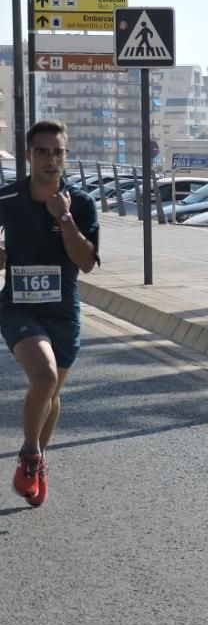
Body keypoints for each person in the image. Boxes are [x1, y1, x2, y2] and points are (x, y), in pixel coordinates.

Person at [0, 120, 99, 507]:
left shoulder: (82, 203)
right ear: (28, 156)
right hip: (19, 307)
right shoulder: (7, 198)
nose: (50, 159)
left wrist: (65, 217)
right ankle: (29, 454)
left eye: (57, 152)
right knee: (42, 375)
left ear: (65, 156)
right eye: (42, 151)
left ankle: (38, 461)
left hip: (64, 311)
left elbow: (86, 263)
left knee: (52, 391)